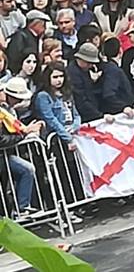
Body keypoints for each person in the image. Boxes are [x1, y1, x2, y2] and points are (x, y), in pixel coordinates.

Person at [0, 78, 41, 213]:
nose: (19, 102)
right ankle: (21, 209)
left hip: (7, 154)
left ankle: (19, 209)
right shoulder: (3, 113)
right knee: (26, 169)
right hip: (2, 156)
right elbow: (1, 139)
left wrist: (26, 133)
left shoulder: (8, 111)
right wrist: (23, 135)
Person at [33, 61, 79, 149]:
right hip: (56, 139)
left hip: (72, 133)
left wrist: (74, 127)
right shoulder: (43, 96)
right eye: (55, 77)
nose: (59, 80)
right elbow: (51, 120)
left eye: (61, 76)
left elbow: (76, 115)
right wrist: (67, 137)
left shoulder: (67, 93)